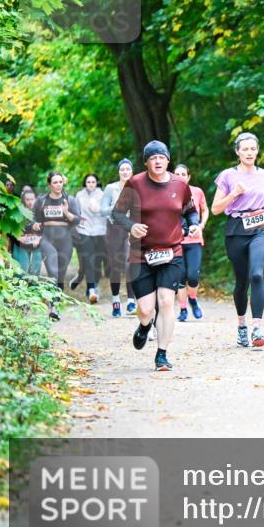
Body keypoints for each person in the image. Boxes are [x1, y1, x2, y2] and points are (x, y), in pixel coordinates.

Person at [111, 140, 200, 371]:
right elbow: (117, 214)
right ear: (146, 162)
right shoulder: (135, 183)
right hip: (141, 255)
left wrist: (193, 225)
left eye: (161, 157)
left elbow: (190, 210)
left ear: (168, 160)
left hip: (172, 252)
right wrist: (131, 227)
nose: (158, 161)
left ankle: (162, 355)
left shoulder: (180, 185)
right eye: (153, 157)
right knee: (146, 309)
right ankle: (144, 325)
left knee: (166, 302)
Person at [211, 132, 264, 348]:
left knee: (257, 274)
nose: (250, 152)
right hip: (236, 229)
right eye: (245, 149)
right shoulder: (227, 176)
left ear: (257, 150)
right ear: (237, 152)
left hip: (260, 227)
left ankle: (257, 328)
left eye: (253, 148)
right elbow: (215, 209)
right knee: (242, 282)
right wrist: (233, 194)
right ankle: (242, 325)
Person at [33, 171, 82, 320]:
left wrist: (66, 212)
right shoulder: (41, 201)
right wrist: (35, 225)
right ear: (49, 184)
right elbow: (34, 218)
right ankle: (52, 306)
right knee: (53, 272)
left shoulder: (70, 200)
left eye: (60, 182)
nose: (58, 185)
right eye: (55, 182)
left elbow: (77, 220)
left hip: (65, 240)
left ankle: (57, 304)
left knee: (60, 275)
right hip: (47, 239)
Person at [173, 164, 209, 321]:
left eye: (183, 174)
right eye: (177, 174)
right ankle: (182, 310)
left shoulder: (197, 191)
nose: (180, 176)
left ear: (188, 177)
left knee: (193, 276)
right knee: (180, 277)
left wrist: (201, 225)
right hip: (176, 241)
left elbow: (205, 209)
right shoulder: (169, 192)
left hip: (194, 240)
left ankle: (193, 299)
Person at [102, 159, 137, 317]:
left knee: (130, 263)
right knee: (115, 265)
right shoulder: (111, 188)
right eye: (122, 169)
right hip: (114, 229)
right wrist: (116, 207)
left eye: (127, 169)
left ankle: (131, 301)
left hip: (131, 228)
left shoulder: (137, 187)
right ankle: (116, 301)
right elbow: (103, 211)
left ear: (132, 171)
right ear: (119, 172)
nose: (125, 172)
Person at [72, 174, 107, 304]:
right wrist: (77, 222)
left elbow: (108, 212)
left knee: (97, 261)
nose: (91, 184)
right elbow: (76, 212)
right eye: (88, 182)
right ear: (85, 183)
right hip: (84, 230)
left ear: (96, 183)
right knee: (88, 260)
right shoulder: (79, 195)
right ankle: (91, 289)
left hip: (100, 231)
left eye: (93, 182)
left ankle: (93, 287)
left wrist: (99, 209)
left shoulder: (102, 195)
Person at [12, 189, 43, 275]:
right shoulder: (17, 211)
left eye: (32, 199)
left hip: (36, 245)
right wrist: (18, 237)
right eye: (27, 199)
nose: (30, 202)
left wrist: (39, 239)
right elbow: (11, 229)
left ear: (36, 199)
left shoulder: (40, 212)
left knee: (35, 273)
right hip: (20, 245)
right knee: (21, 272)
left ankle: (34, 288)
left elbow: (47, 229)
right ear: (23, 200)